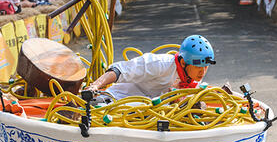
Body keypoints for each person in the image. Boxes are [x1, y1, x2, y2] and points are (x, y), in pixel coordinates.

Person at [87, 35, 215, 100]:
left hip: (152, 113)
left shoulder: (192, 77)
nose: (202, 72)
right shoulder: (159, 64)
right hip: (117, 102)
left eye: (206, 67)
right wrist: (95, 86)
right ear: (183, 63)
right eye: (198, 67)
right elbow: (120, 70)